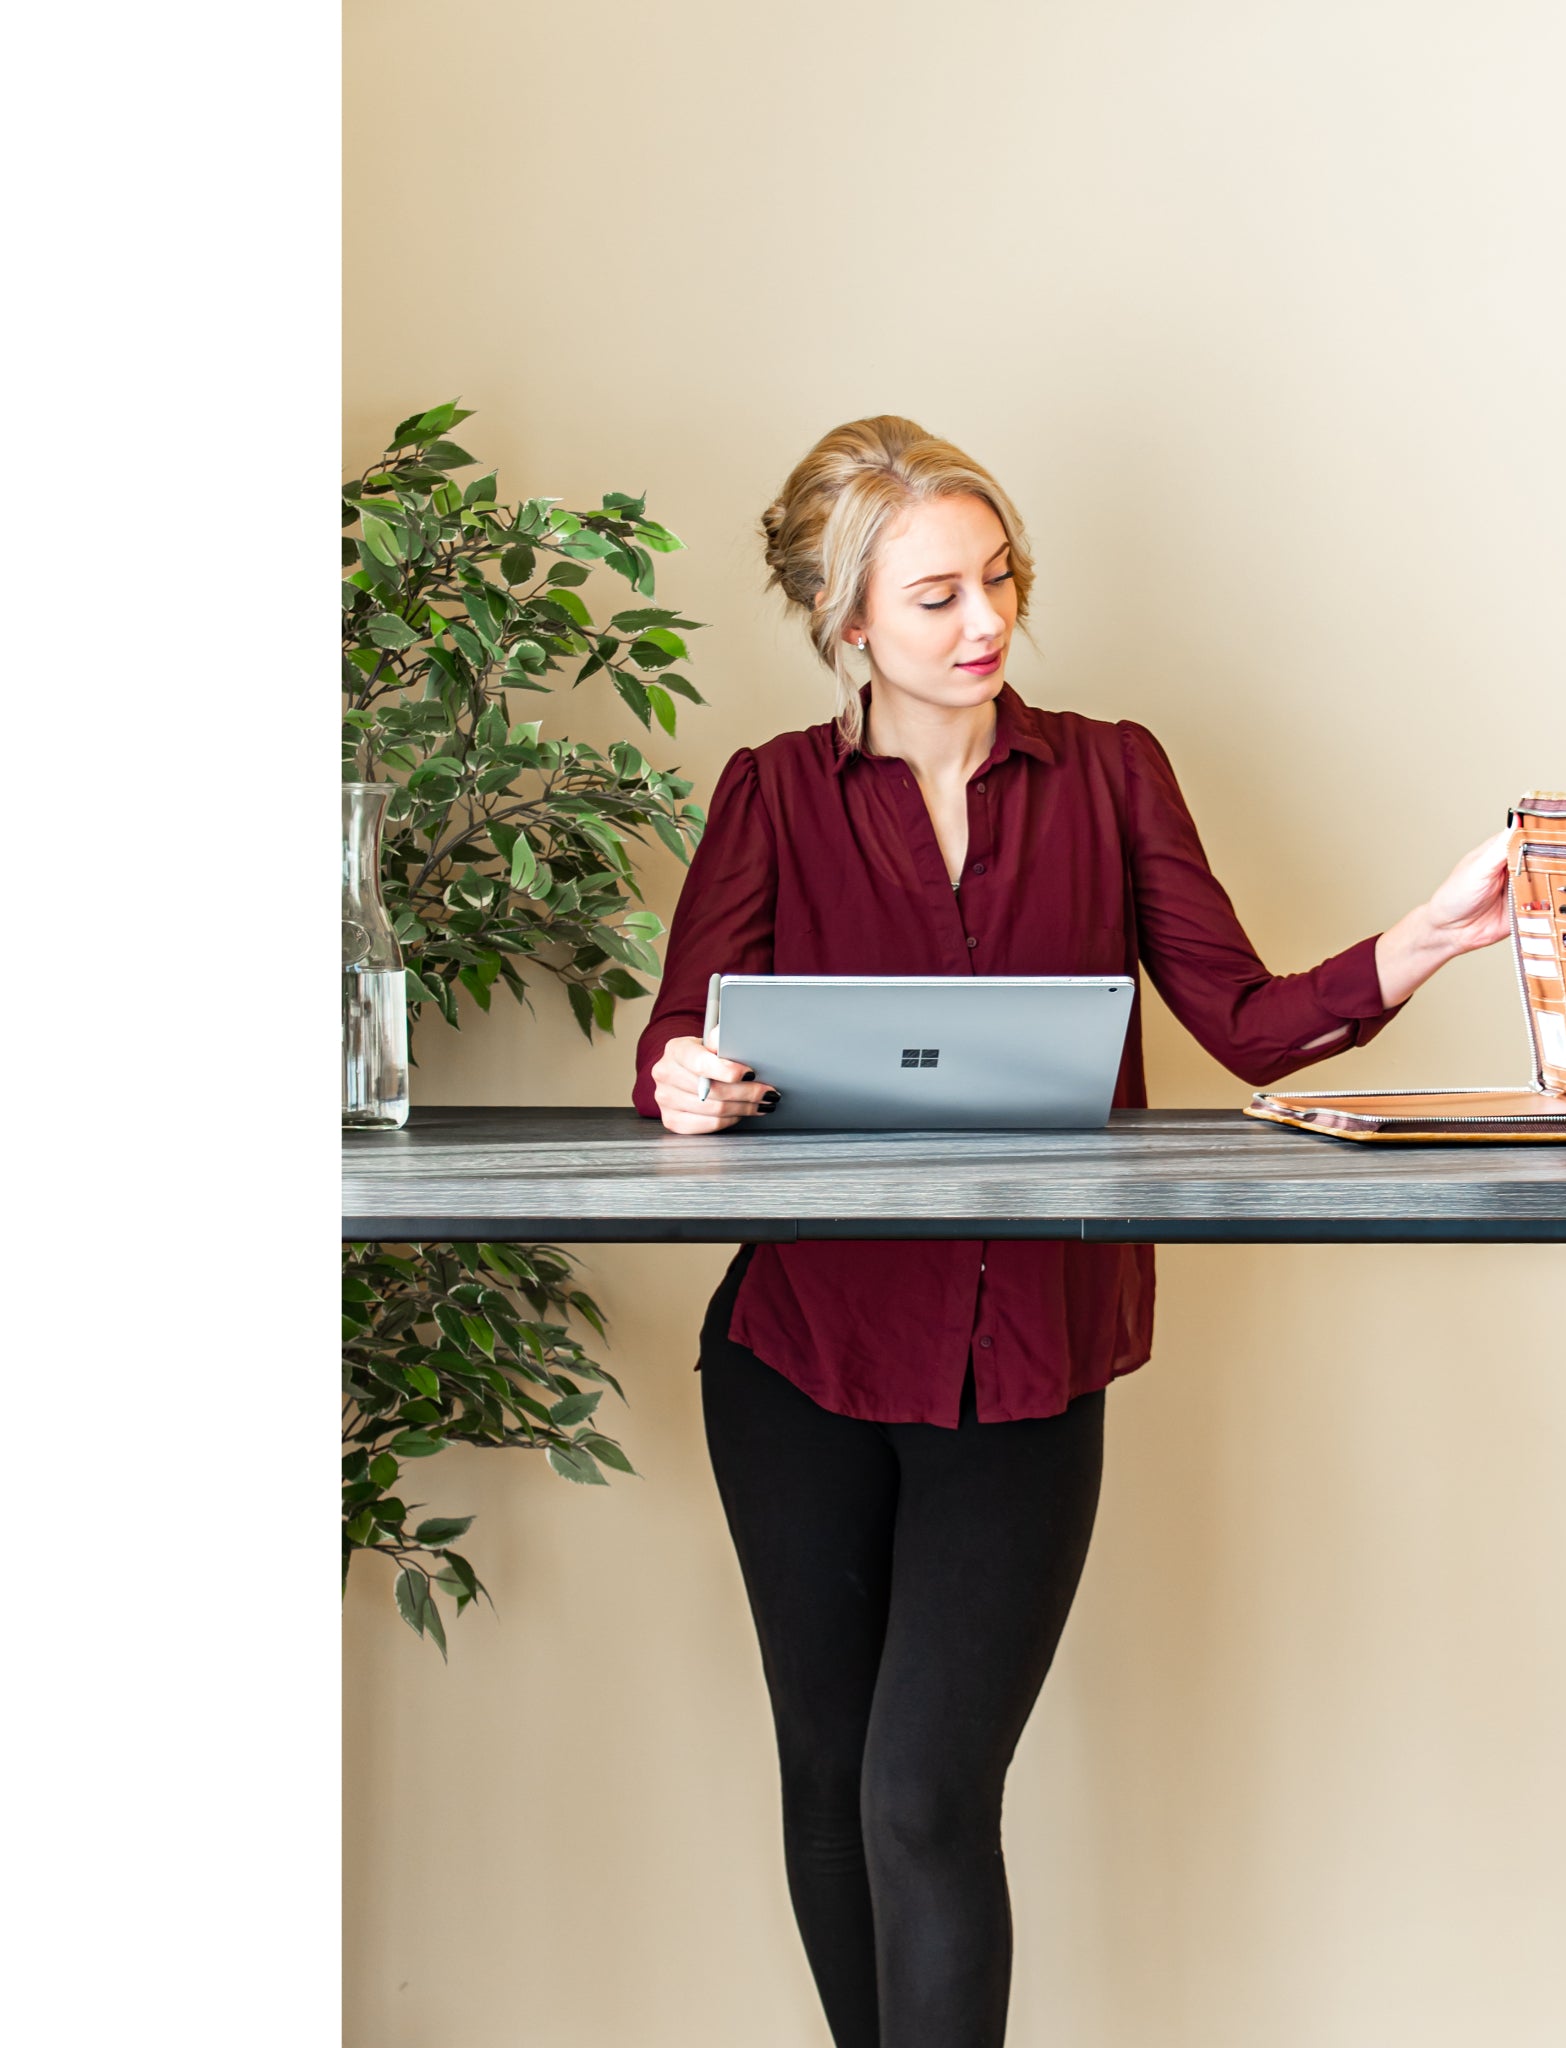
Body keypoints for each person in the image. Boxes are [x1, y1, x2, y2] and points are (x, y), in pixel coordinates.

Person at [632, 416, 1512, 2047]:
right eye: (938, 596)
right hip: (799, 1354)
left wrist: (1426, 940)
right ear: (846, 627)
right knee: (830, 1771)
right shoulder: (770, 795)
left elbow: (1245, 1022)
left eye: (1003, 579)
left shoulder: (1111, 772)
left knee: (924, 1793)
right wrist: (681, 1075)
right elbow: (680, 1034)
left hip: (1029, 1359)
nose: (986, 623)